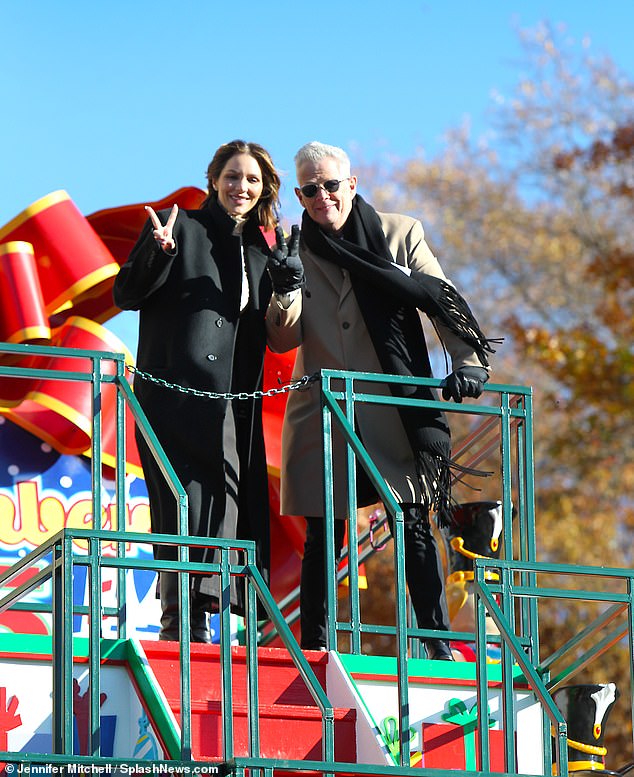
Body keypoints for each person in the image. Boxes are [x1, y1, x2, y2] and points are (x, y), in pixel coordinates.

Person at [266, 141, 494, 659]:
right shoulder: (293, 247)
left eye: (329, 185)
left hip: (396, 401)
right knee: (325, 530)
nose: (321, 195)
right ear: (299, 195)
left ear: (351, 184)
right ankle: (317, 647)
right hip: (324, 409)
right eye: (309, 189)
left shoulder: (400, 232)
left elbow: (442, 299)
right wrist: (284, 290)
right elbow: (282, 340)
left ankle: (435, 642)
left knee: (413, 518)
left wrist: (468, 363)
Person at [113, 140, 304, 642]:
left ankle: (215, 617)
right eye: (233, 176)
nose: (241, 187)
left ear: (265, 190)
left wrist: (287, 286)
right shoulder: (181, 229)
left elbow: (279, 331)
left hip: (234, 406)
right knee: (184, 504)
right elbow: (126, 293)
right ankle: (181, 620)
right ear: (214, 179)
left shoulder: (267, 249)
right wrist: (158, 252)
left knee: (229, 508)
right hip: (173, 398)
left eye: (252, 180)